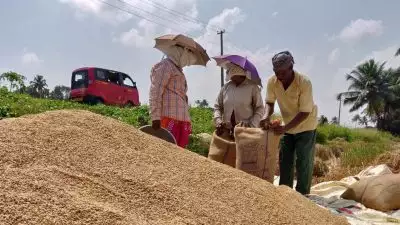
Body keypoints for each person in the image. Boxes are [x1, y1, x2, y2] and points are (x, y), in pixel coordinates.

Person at [260, 51, 318, 195]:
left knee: (303, 161)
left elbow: (305, 112)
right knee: (285, 160)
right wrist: (266, 115)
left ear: (291, 67)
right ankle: (285, 194)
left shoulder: (304, 82)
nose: (279, 76)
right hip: (287, 125)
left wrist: (286, 127)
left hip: (306, 125)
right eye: (276, 72)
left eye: (283, 73)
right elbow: (269, 102)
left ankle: (303, 195)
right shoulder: (273, 82)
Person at [149, 46, 197, 148]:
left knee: (179, 156)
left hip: (182, 120)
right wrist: (155, 117)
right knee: (167, 152)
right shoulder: (165, 66)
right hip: (169, 119)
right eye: (186, 53)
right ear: (178, 53)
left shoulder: (179, 70)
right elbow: (155, 91)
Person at [214, 64, 264, 138]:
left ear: (240, 74)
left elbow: (259, 108)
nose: (230, 78)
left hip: (246, 132)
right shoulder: (226, 87)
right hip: (226, 131)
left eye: (233, 75)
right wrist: (218, 120)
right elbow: (217, 106)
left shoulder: (253, 87)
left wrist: (252, 126)